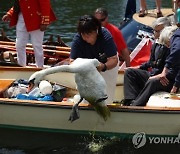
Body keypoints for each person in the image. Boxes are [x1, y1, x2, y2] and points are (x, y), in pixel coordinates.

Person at [123, 25, 178, 106]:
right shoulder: (158, 46)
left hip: (169, 80)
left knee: (153, 81)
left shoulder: (175, 50)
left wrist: (159, 76)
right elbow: (152, 62)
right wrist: (139, 67)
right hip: (157, 74)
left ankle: (136, 105)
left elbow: (174, 71)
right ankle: (129, 101)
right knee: (130, 72)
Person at [70, 15, 119, 104]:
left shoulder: (105, 36)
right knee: (87, 96)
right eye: (83, 34)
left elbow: (114, 59)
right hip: (86, 68)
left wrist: (103, 67)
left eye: (88, 34)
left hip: (106, 66)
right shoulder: (77, 39)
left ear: (96, 30)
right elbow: (72, 61)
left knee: (106, 95)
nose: (85, 38)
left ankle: (106, 106)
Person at [2, 0, 57, 68]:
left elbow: (45, 4)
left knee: (37, 45)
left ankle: (39, 66)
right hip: (22, 17)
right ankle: (21, 65)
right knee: (19, 44)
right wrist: (9, 14)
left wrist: (44, 21)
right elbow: (18, 4)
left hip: (36, 18)